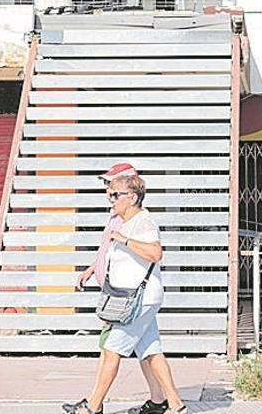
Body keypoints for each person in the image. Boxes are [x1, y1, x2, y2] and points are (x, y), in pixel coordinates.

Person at [64, 173, 188, 414]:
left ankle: (92, 406)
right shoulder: (123, 221)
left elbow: (155, 253)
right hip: (131, 298)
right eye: (109, 194)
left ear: (132, 197)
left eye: (115, 195)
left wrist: (125, 240)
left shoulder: (143, 221)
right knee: (151, 351)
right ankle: (174, 404)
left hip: (137, 300)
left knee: (112, 350)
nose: (110, 199)